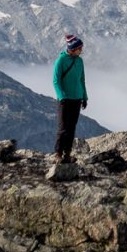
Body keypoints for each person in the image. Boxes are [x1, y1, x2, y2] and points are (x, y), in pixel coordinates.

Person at [52, 33, 88, 163]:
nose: (81, 51)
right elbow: (56, 81)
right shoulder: (60, 61)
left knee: (72, 127)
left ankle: (67, 153)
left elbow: (82, 80)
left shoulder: (79, 61)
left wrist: (84, 97)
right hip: (64, 100)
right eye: (80, 48)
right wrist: (61, 96)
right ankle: (58, 154)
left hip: (77, 99)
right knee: (63, 128)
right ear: (73, 49)